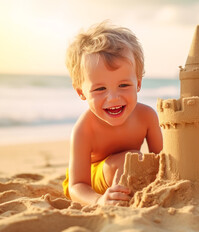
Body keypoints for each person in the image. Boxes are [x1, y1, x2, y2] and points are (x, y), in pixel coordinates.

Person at [63, 21, 163, 206]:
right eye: (100, 89)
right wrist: (98, 200)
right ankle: (119, 199)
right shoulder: (84, 129)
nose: (113, 98)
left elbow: (163, 160)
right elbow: (76, 186)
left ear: (138, 83)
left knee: (138, 160)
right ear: (81, 93)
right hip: (93, 179)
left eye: (124, 85)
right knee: (129, 158)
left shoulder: (147, 117)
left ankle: (131, 193)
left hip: (130, 167)